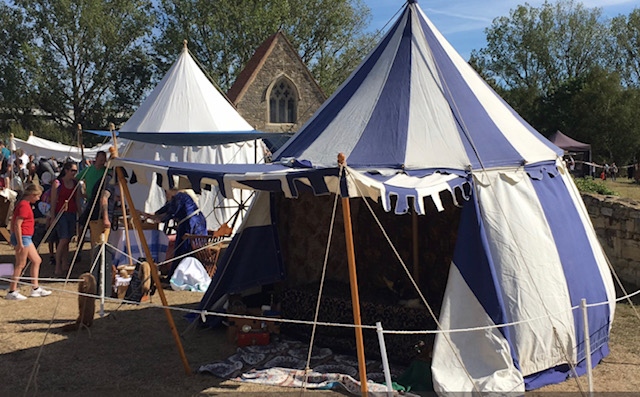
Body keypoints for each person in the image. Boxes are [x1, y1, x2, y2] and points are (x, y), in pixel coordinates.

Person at [5, 184, 51, 300]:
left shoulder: (24, 205)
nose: (39, 199)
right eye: (38, 196)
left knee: (36, 260)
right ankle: (12, 290)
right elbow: (17, 224)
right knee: (20, 264)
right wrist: (19, 243)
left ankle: (35, 288)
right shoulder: (24, 206)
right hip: (23, 237)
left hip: (26, 237)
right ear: (32, 195)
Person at [152, 188, 207, 278]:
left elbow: (170, 214)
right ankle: (177, 274)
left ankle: (178, 275)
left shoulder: (180, 197)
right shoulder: (174, 199)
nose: (166, 195)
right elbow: (160, 212)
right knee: (182, 249)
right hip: (189, 223)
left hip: (192, 224)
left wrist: (159, 219)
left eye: (166, 193)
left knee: (184, 249)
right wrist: (146, 215)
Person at [48, 161, 82, 277]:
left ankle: (65, 263)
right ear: (66, 170)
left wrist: (81, 214)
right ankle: (58, 264)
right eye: (72, 170)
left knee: (67, 240)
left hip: (72, 213)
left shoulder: (75, 183)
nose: (74, 173)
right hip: (60, 213)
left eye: (76, 171)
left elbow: (77, 200)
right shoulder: (57, 183)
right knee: (63, 239)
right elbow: (53, 201)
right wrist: (52, 217)